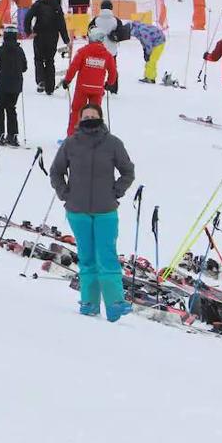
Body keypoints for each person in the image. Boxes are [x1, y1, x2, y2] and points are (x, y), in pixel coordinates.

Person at [49, 103, 135, 322]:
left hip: (105, 210)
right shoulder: (70, 144)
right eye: (85, 115)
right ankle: (89, 303)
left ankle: (115, 303)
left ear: (100, 118)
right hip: (77, 211)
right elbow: (56, 172)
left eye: (92, 115)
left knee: (107, 255)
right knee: (87, 257)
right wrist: (64, 193)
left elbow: (128, 171)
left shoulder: (113, 143)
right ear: (80, 119)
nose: (89, 118)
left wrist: (116, 191)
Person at [62, 28, 118, 136]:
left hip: (82, 88)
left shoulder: (83, 52)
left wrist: (67, 80)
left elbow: (73, 67)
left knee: (77, 111)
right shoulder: (107, 55)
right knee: (94, 114)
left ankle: (72, 135)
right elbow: (113, 72)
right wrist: (109, 83)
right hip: (97, 89)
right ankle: (94, 136)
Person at [24, 0, 69, 94]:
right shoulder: (56, 6)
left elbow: (28, 17)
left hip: (39, 35)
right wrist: (66, 39)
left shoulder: (38, 4)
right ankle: (50, 87)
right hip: (52, 37)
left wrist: (28, 32)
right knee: (50, 61)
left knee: (38, 59)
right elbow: (61, 24)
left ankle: (41, 80)